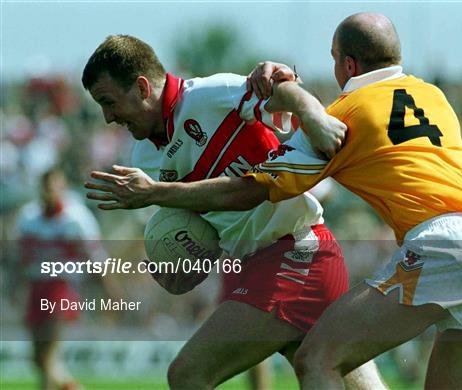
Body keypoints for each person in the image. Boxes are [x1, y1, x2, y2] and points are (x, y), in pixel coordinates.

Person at [84, 13, 462, 389]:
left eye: (332, 60)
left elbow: (251, 188)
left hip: (333, 250)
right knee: (323, 362)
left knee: (302, 364)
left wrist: (309, 111)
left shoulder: (343, 115)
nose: (108, 116)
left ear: (347, 64)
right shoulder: (434, 96)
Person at [82, 35, 385, 389]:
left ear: (142, 86)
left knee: (188, 374)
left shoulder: (208, 94)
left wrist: (312, 114)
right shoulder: (145, 159)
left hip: (296, 251)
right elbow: (197, 228)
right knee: (330, 374)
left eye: (109, 102)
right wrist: (175, 264)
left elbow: (281, 92)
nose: (107, 118)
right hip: (258, 263)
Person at [14, 167, 104, 390]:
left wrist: (107, 289)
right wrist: (17, 288)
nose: (49, 191)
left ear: (62, 187)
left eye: (54, 185)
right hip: (37, 287)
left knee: (48, 354)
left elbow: (96, 256)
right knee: (38, 359)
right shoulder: (28, 217)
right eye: (45, 186)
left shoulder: (77, 218)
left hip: (62, 287)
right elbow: (21, 259)